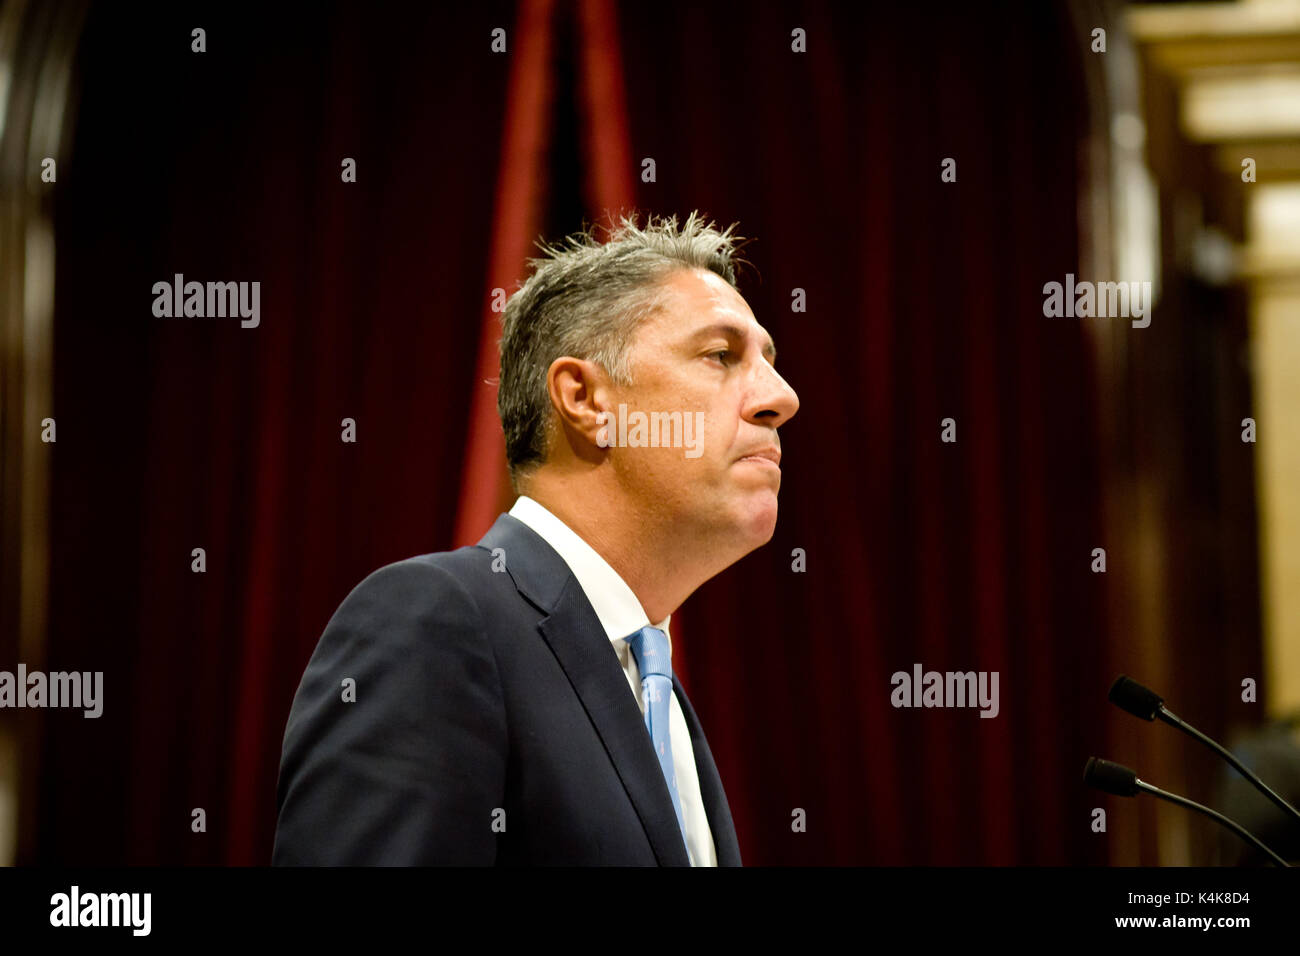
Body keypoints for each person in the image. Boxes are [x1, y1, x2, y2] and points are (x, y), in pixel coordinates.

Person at [272, 211, 800, 865]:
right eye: (720, 354)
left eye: (769, 363)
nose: (782, 397)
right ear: (584, 397)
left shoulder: (651, 688)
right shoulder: (431, 621)